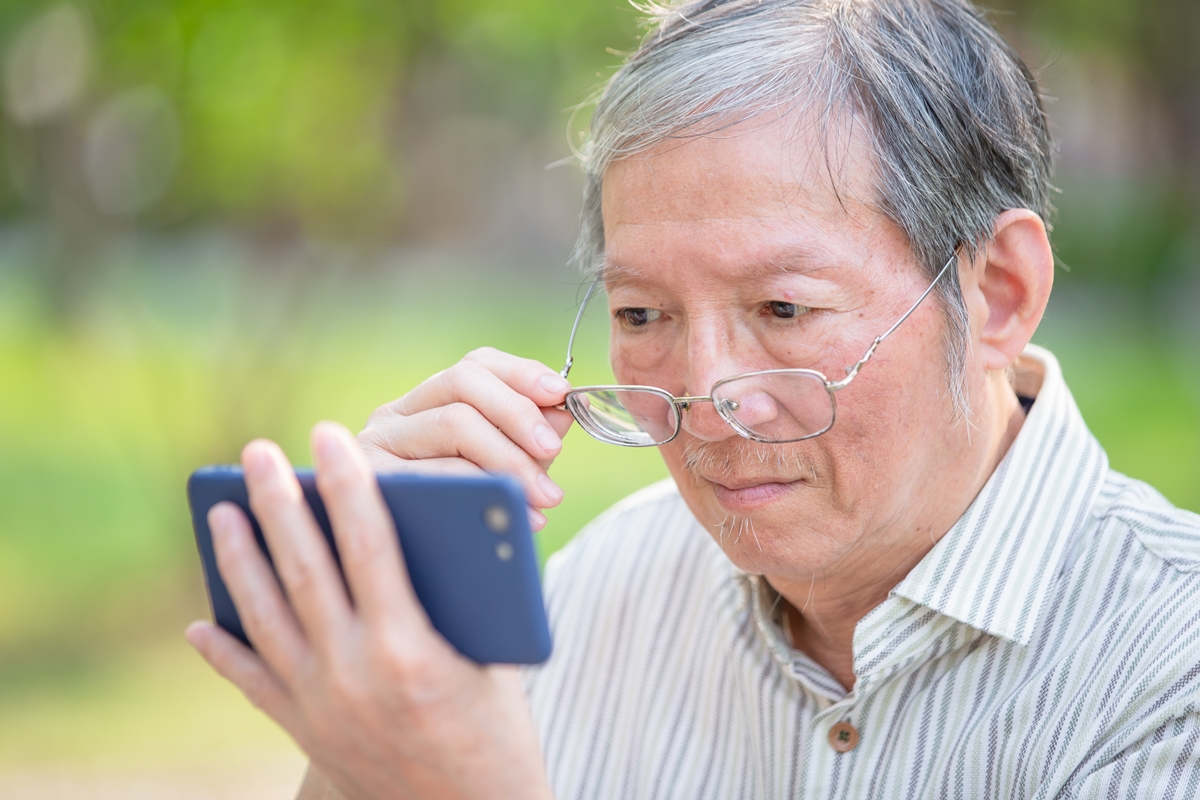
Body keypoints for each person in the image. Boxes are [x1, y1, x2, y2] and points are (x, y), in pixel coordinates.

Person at [185, 0, 1200, 797]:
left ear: (999, 293)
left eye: (783, 307)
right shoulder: (602, 590)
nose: (705, 400)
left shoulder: (1168, 665)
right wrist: (371, 725)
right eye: (642, 313)